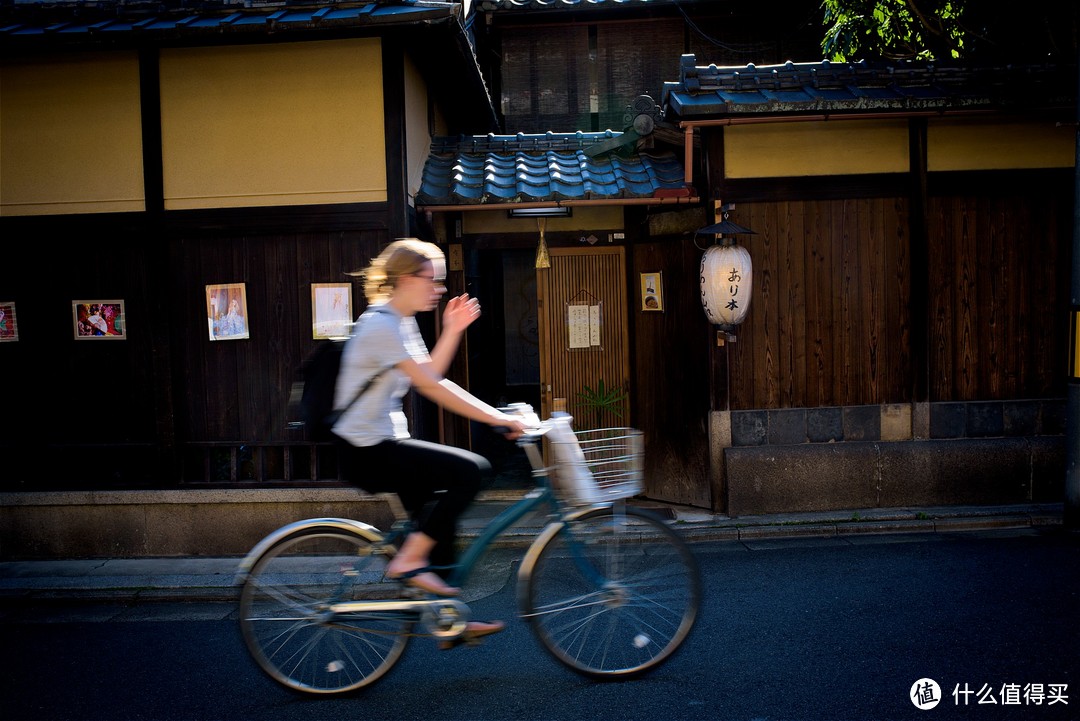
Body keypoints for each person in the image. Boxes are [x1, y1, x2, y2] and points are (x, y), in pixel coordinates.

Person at [332, 238, 527, 645]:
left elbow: (431, 377)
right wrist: (498, 418)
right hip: (368, 451)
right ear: (405, 279)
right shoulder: (381, 325)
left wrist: (452, 330)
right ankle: (409, 561)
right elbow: (433, 386)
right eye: (431, 279)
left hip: (382, 444)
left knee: (439, 523)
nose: (438, 287)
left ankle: (449, 619)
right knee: (471, 470)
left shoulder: (398, 321)